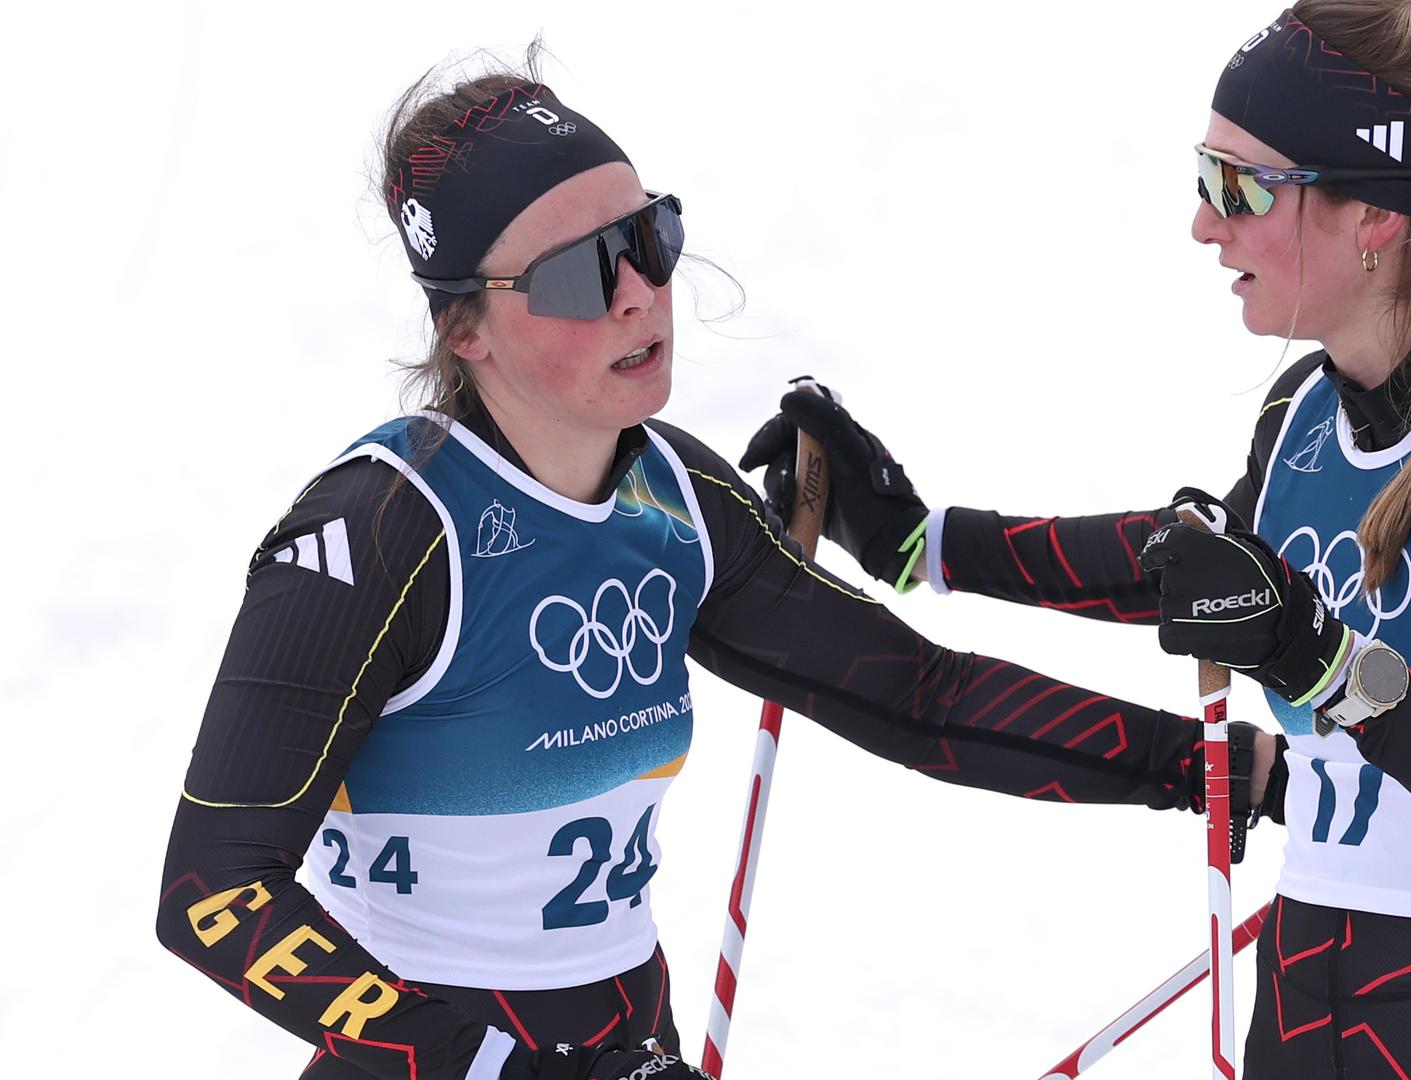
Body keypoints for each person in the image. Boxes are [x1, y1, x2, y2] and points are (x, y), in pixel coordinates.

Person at [154, 56, 1275, 1080]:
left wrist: (1211, 770)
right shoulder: (382, 533)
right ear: (468, 334)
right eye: (582, 273)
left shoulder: (674, 499)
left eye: (650, 238)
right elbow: (214, 892)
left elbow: (921, 697)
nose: (641, 291)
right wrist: (506, 1071)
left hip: (629, 1038)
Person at [740, 4, 1411, 1077]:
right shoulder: (1304, 421)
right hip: (1301, 1028)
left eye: (1239, 187)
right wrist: (923, 542)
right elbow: (1196, 575)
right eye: (1205, 175)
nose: (1204, 222)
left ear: (1371, 213)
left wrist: (1328, 668)